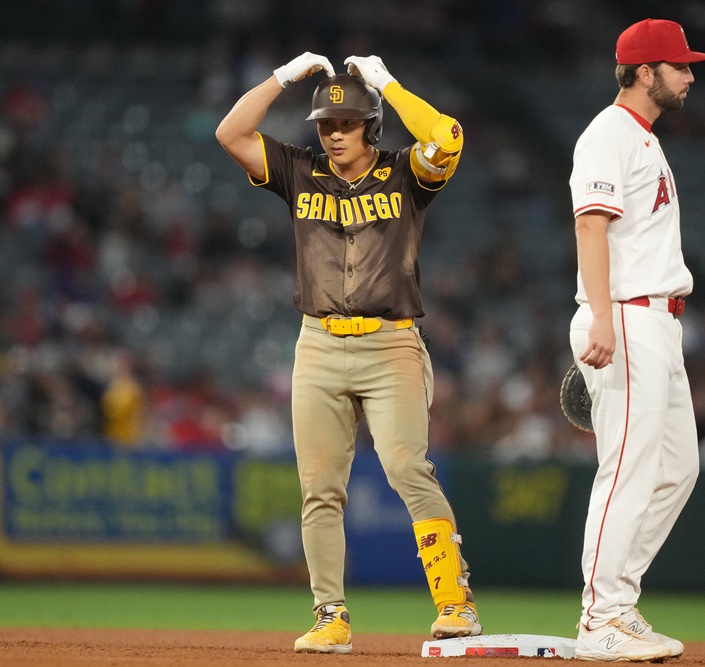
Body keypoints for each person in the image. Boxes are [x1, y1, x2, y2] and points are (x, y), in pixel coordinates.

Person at [216, 51, 480, 654]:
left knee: (409, 469)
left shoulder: (407, 172)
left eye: (347, 124)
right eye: (325, 125)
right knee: (319, 486)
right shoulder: (301, 170)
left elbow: (448, 135)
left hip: (390, 345)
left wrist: (385, 80)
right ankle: (330, 614)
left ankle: (453, 603)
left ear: (372, 126)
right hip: (317, 343)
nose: (333, 134)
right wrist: (285, 77)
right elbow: (229, 133)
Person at [567, 19, 705, 662]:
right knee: (626, 469)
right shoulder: (608, 133)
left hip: (656, 319)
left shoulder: (642, 139)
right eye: (679, 65)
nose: (689, 74)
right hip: (624, 314)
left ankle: (619, 601)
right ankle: (600, 615)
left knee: (679, 468)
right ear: (645, 71)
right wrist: (601, 316)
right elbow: (591, 228)